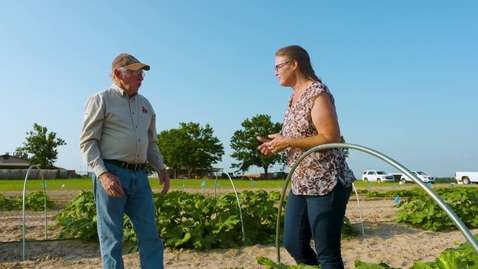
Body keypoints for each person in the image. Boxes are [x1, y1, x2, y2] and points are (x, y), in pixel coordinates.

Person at [257, 45, 355, 269]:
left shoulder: (317, 93)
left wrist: (289, 141)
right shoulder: (292, 99)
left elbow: (330, 137)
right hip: (300, 182)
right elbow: (299, 139)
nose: (274, 73)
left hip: (326, 182)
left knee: (327, 254)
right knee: (293, 244)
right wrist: (277, 145)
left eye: (277, 67)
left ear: (294, 65)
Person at [79, 53, 170, 269]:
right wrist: (103, 174)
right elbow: (87, 142)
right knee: (112, 239)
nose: (141, 77)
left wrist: (161, 168)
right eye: (136, 72)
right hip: (112, 173)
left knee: (150, 236)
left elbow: (151, 143)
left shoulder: (146, 104)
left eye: (142, 73)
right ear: (118, 74)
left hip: (139, 176)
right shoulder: (101, 99)